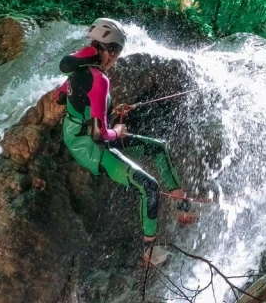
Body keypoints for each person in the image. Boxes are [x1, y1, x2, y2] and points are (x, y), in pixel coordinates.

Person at [56, 18, 193, 265]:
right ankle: (149, 251)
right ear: (112, 51)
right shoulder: (99, 80)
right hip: (91, 147)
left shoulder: (77, 73)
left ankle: (182, 207)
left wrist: (110, 111)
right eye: (117, 53)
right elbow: (99, 134)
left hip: (77, 134)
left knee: (158, 148)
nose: (116, 59)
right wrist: (116, 131)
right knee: (149, 186)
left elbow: (61, 99)